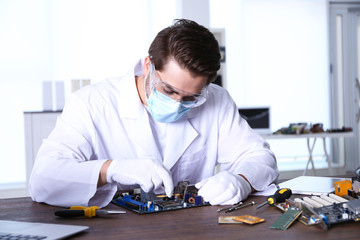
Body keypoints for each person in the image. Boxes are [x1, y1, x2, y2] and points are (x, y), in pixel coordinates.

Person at [29, 19, 279, 208]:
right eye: (168, 90)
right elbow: (43, 180)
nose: (178, 103)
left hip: (190, 226)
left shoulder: (216, 100)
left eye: (191, 97)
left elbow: (259, 156)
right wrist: (109, 170)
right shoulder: (92, 103)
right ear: (148, 66)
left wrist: (242, 180)